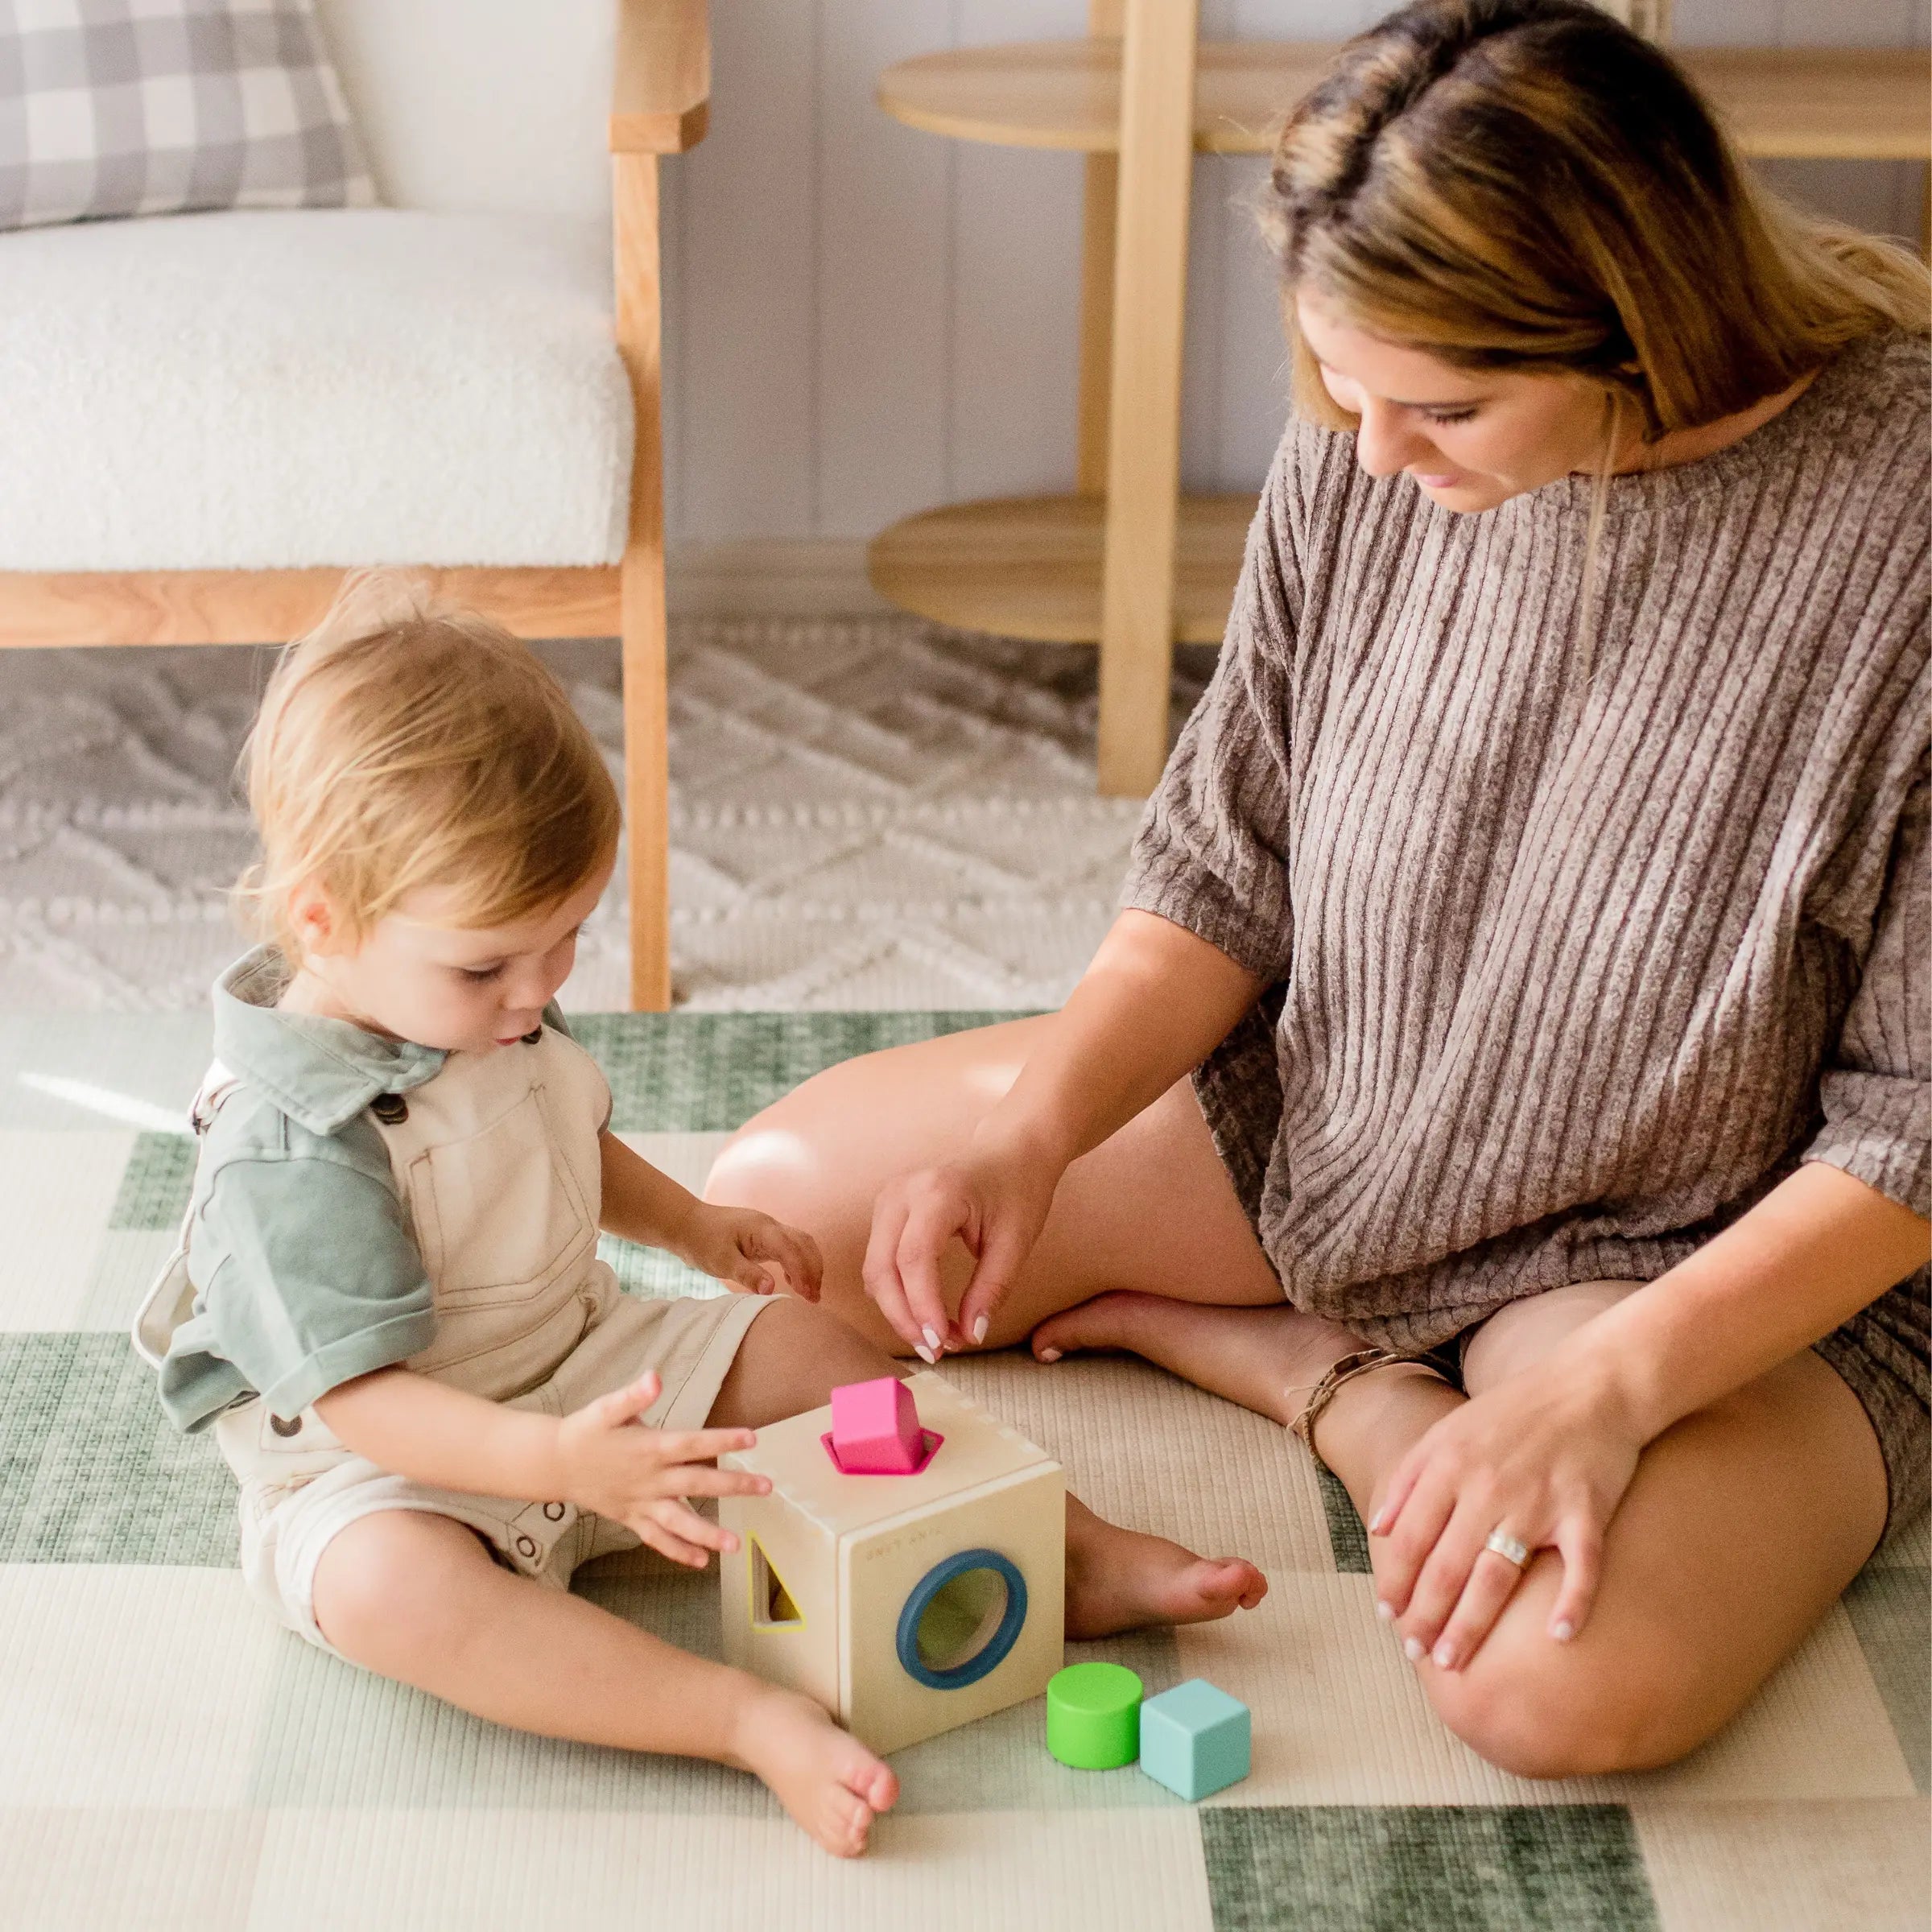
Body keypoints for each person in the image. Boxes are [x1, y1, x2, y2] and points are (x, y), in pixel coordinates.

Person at [705, 0, 1931, 1779]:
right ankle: (1340, 1357)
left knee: (1551, 1688)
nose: (1374, 457)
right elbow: (1228, 863)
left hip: (1710, 1248)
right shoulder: (1379, 432)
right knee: (782, 1232)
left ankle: (1312, 1374)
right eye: (1335, 386)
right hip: (1345, 1114)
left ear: (1640, 326)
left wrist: (1603, 1394)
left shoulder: (1903, 519)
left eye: (1441, 405)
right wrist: (1036, 1131)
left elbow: (1912, 1129)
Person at [132, 580, 1268, 1859]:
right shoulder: (287, 1141)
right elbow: (360, 1401)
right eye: (491, 964)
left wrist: (693, 1228)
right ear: (320, 919)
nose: (537, 993)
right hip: (382, 1463)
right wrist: (561, 1470)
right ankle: (733, 1719)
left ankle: (1069, 1552)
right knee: (399, 1594)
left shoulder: (471, 1004)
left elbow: (558, 1134)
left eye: (563, 943)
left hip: (574, 1370)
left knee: (809, 1355)